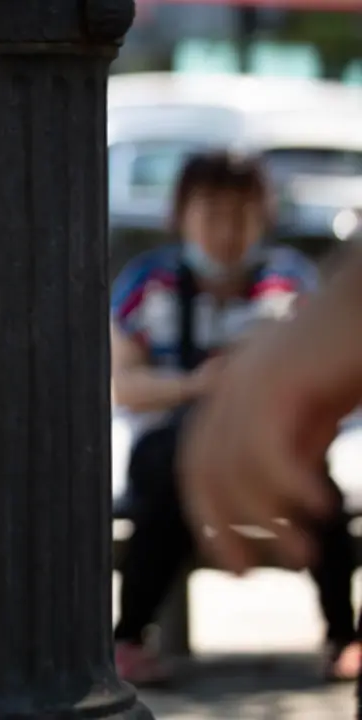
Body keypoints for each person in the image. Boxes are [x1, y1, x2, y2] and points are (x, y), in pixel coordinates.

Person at [109, 151, 360, 684]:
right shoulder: (145, 283)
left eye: (241, 213)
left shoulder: (290, 283)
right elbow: (122, 383)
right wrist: (199, 388)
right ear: (181, 215)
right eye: (212, 213)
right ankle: (127, 638)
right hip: (165, 452)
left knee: (320, 497)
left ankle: (345, 634)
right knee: (169, 485)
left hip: (275, 452)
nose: (227, 230)